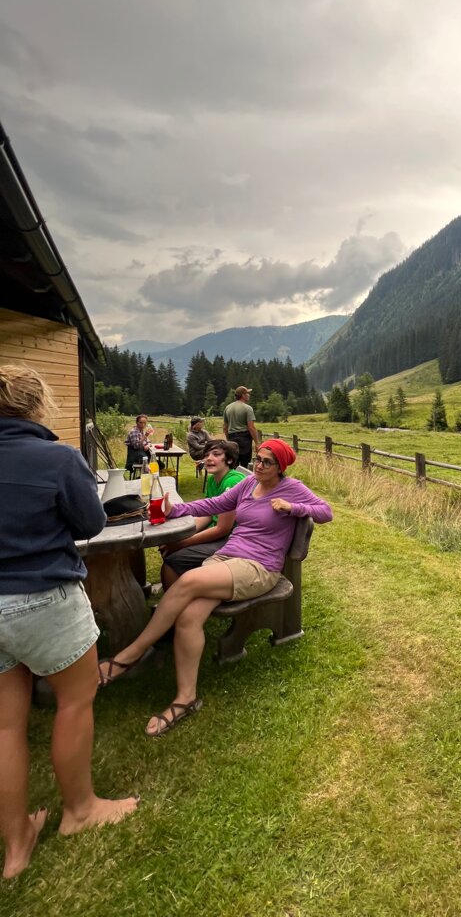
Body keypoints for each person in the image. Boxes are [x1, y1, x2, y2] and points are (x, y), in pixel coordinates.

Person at [0, 365, 138, 879]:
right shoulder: (56, 458)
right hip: (44, 596)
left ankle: (16, 843)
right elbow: (92, 523)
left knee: (6, 724)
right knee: (75, 700)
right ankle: (79, 811)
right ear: (37, 405)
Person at [99, 439, 332, 737]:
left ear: (280, 468)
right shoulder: (248, 485)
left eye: (266, 463)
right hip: (226, 557)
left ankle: (128, 656)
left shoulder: (291, 487)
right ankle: (186, 700)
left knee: (187, 581)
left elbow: (325, 511)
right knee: (188, 617)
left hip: (258, 567)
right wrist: (175, 510)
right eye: (258, 459)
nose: (259, 466)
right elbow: (212, 505)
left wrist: (292, 507)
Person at [159, 438, 245, 591]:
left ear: (230, 460)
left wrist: (181, 543)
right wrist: (184, 535)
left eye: (216, 454)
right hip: (222, 534)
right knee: (169, 542)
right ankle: (181, 589)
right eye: (206, 455)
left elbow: (223, 529)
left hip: (235, 539)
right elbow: (207, 515)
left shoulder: (232, 482)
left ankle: (176, 604)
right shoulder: (213, 480)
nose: (209, 458)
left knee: (172, 560)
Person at [222, 386, 258, 468]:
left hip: (231, 438)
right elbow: (251, 427)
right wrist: (257, 443)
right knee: (244, 466)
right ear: (243, 395)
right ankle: (244, 481)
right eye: (247, 393)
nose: (249, 395)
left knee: (233, 465)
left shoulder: (227, 408)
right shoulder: (248, 408)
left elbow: (225, 427)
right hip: (244, 439)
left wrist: (229, 440)